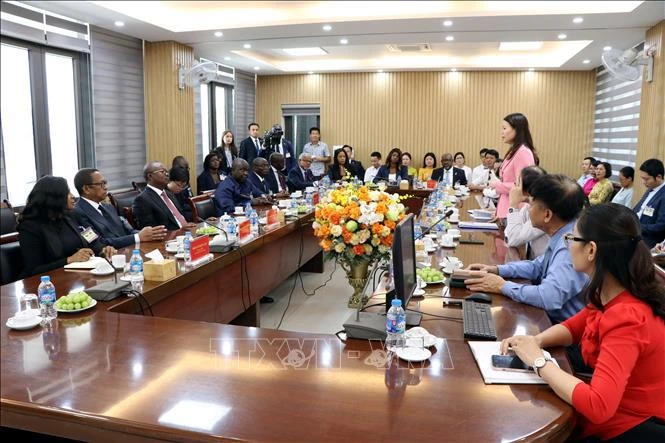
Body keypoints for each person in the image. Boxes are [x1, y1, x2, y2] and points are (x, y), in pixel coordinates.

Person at [500, 204, 665, 441]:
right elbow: (572, 328)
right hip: (618, 411)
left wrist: (538, 361)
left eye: (571, 237)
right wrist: (535, 340)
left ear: (591, 250)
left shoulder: (628, 317)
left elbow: (599, 405)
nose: (567, 244)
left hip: (630, 425)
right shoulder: (610, 292)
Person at [466, 175, 589, 323]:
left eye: (531, 205)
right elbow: (537, 266)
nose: (528, 210)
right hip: (548, 321)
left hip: (562, 334)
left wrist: (502, 285)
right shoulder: (563, 233)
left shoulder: (569, 246)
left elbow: (548, 297)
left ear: (547, 215)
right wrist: (497, 269)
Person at [18, 176, 116, 276]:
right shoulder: (29, 227)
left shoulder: (72, 216)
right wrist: (69, 260)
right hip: (52, 282)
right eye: (67, 193)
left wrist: (103, 250)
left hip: (80, 277)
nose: (73, 196)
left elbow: (93, 240)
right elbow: (33, 270)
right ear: (54, 198)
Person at [73, 168, 167, 249]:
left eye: (105, 183)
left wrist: (151, 234)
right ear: (86, 189)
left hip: (129, 251)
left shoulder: (108, 207)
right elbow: (98, 243)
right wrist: (138, 237)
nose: (106, 187)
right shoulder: (77, 212)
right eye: (101, 184)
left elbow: (127, 230)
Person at [488, 113, 537, 219]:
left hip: (516, 211)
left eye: (504, 128)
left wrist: (497, 185)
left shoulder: (523, 152)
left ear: (517, 130)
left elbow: (522, 187)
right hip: (505, 210)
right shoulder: (514, 151)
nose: (502, 132)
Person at [132, 162, 195, 230]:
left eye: (166, 171)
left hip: (187, 232)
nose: (167, 174)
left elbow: (180, 216)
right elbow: (153, 233)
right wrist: (180, 230)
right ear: (150, 176)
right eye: (162, 172)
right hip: (172, 238)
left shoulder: (169, 194)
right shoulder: (142, 200)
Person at [504, 166, 549, 259]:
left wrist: (513, 205)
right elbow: (508, 236)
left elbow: (512, 239)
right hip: (534, 264)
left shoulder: (545, 210)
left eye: (517, 184)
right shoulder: (528, 206)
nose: (515, 187)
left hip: (545, 269)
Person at [634, 158, 665, 248]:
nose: (643, 182)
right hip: (636, 232)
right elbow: (637, 210)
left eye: (646, 179)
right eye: (642, 179)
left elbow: (660, 226)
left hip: (648, 239)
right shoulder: (651, 189)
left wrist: (637, 226)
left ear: (658, 177)